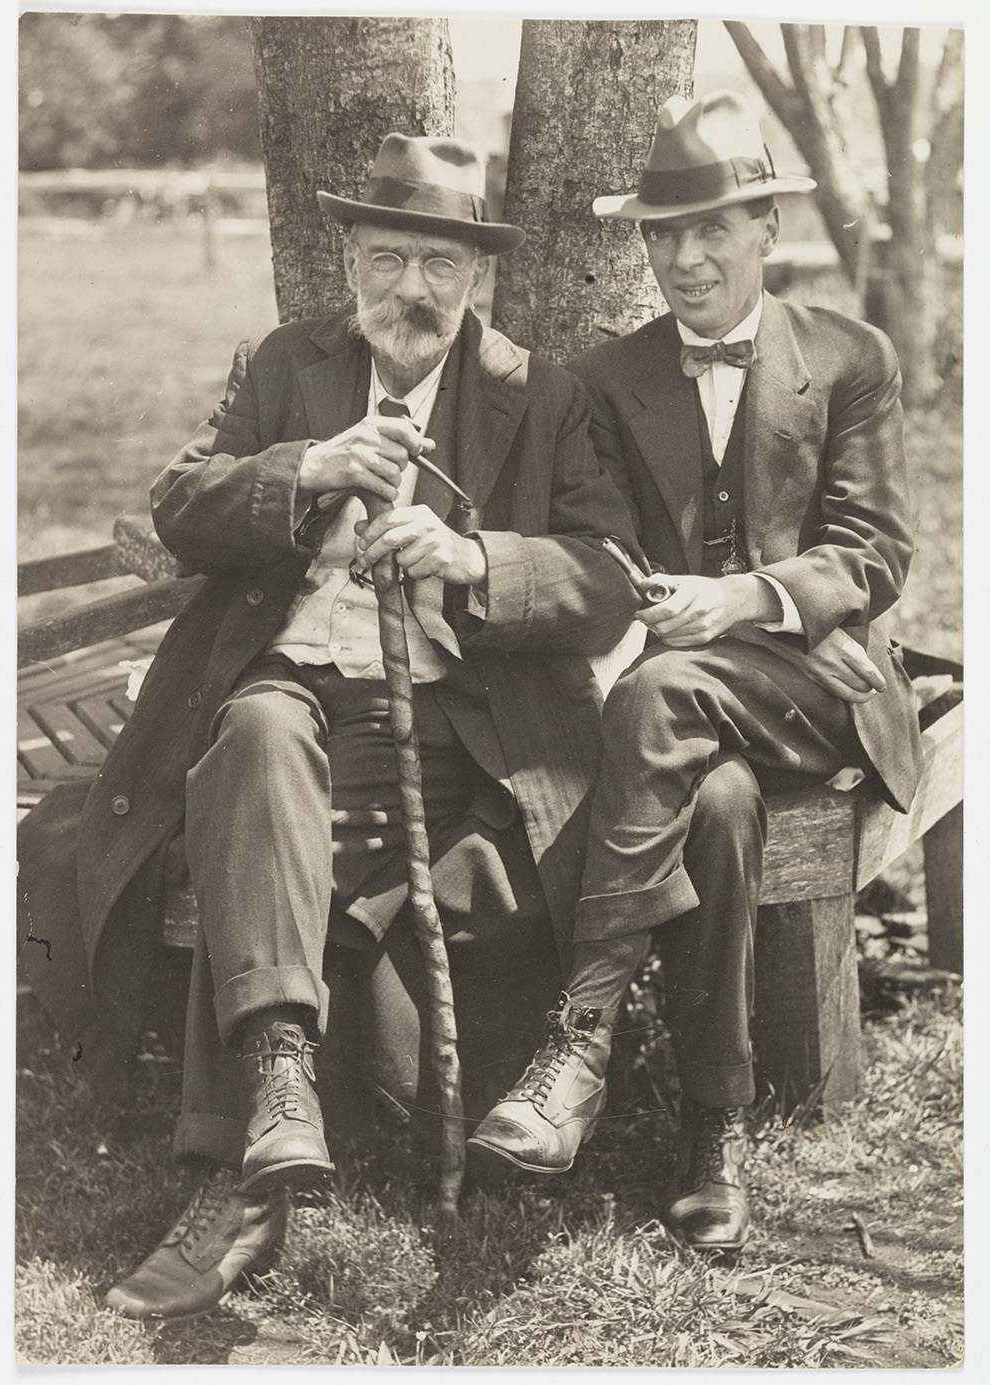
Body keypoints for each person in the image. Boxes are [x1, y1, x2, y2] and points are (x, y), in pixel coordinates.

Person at [19, 134, 642, 1320]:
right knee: (249, 741)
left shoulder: (537, 393)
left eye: (443, 265)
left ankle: (256, 1156)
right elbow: (179, 502)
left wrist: (474, 558)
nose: (416, 288)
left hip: (455, 725)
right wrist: (303, 470)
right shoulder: (283, 365)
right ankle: (273, 1087)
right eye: (393, 255)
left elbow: (607, 574)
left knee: (303, 871)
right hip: (293, 692)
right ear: (349, 256)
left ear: (477, 278)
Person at [466, 90, 923, 1252]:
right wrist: (668, 610)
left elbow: (872, 552)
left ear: (767, 224)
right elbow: (610, 560)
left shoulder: (851, 357)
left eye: (712, 226)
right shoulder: (607, 380)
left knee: (664, 695)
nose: (683, 257)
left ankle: (580, 1037)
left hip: (823, 691)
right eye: (662, 234)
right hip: (679, 708)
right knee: (715, 803)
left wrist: (753, 599)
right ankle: (711, 1135)